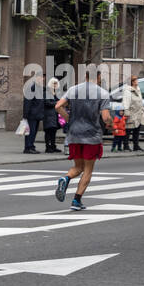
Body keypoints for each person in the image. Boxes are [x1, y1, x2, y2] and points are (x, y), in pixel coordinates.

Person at [52, 72, 111, 211]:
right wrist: (112, 125)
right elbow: (106, 117)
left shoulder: (73, 90)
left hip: (74, 134)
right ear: (98, 77)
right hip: (92, 135)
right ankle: (76, 200)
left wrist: (68, 120)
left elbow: (57, 106)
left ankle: (66, 178)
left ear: (84, 76)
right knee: (88, 169)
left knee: (78, 167)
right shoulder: (102, 93)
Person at [21, 72, 45, 154]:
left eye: (43, 77)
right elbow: (27, 102)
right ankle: (28, 147)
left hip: (37, 115)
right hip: (31, 115)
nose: (43, 79)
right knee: (30, 132)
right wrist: (25, 115)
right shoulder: (31, 88)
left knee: (33, 132)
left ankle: (31, 146)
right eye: (41, 77)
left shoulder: (39, 88)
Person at [123, 73, 144, 152]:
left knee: (137, 130)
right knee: (128, 130)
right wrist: (126, 113)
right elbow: (125, 102)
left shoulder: (138, 89)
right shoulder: (127, 91)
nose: (137, 81)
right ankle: (125, 146)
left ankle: (136, 146)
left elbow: (140, 100)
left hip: (138, 112)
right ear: (132, 82)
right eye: (136, 80)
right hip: (131, 112)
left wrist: (142, 109)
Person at [43, 77, 63, 153]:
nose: (55, 85)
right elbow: (47, 103)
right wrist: (57, 103)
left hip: (55, 114)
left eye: (56, 83)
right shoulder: (47, 92)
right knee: (48, 131)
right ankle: (48, 147)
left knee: (53, 131)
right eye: (53, 83)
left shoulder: (56, 92)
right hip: (48, 114)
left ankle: (53, 146)